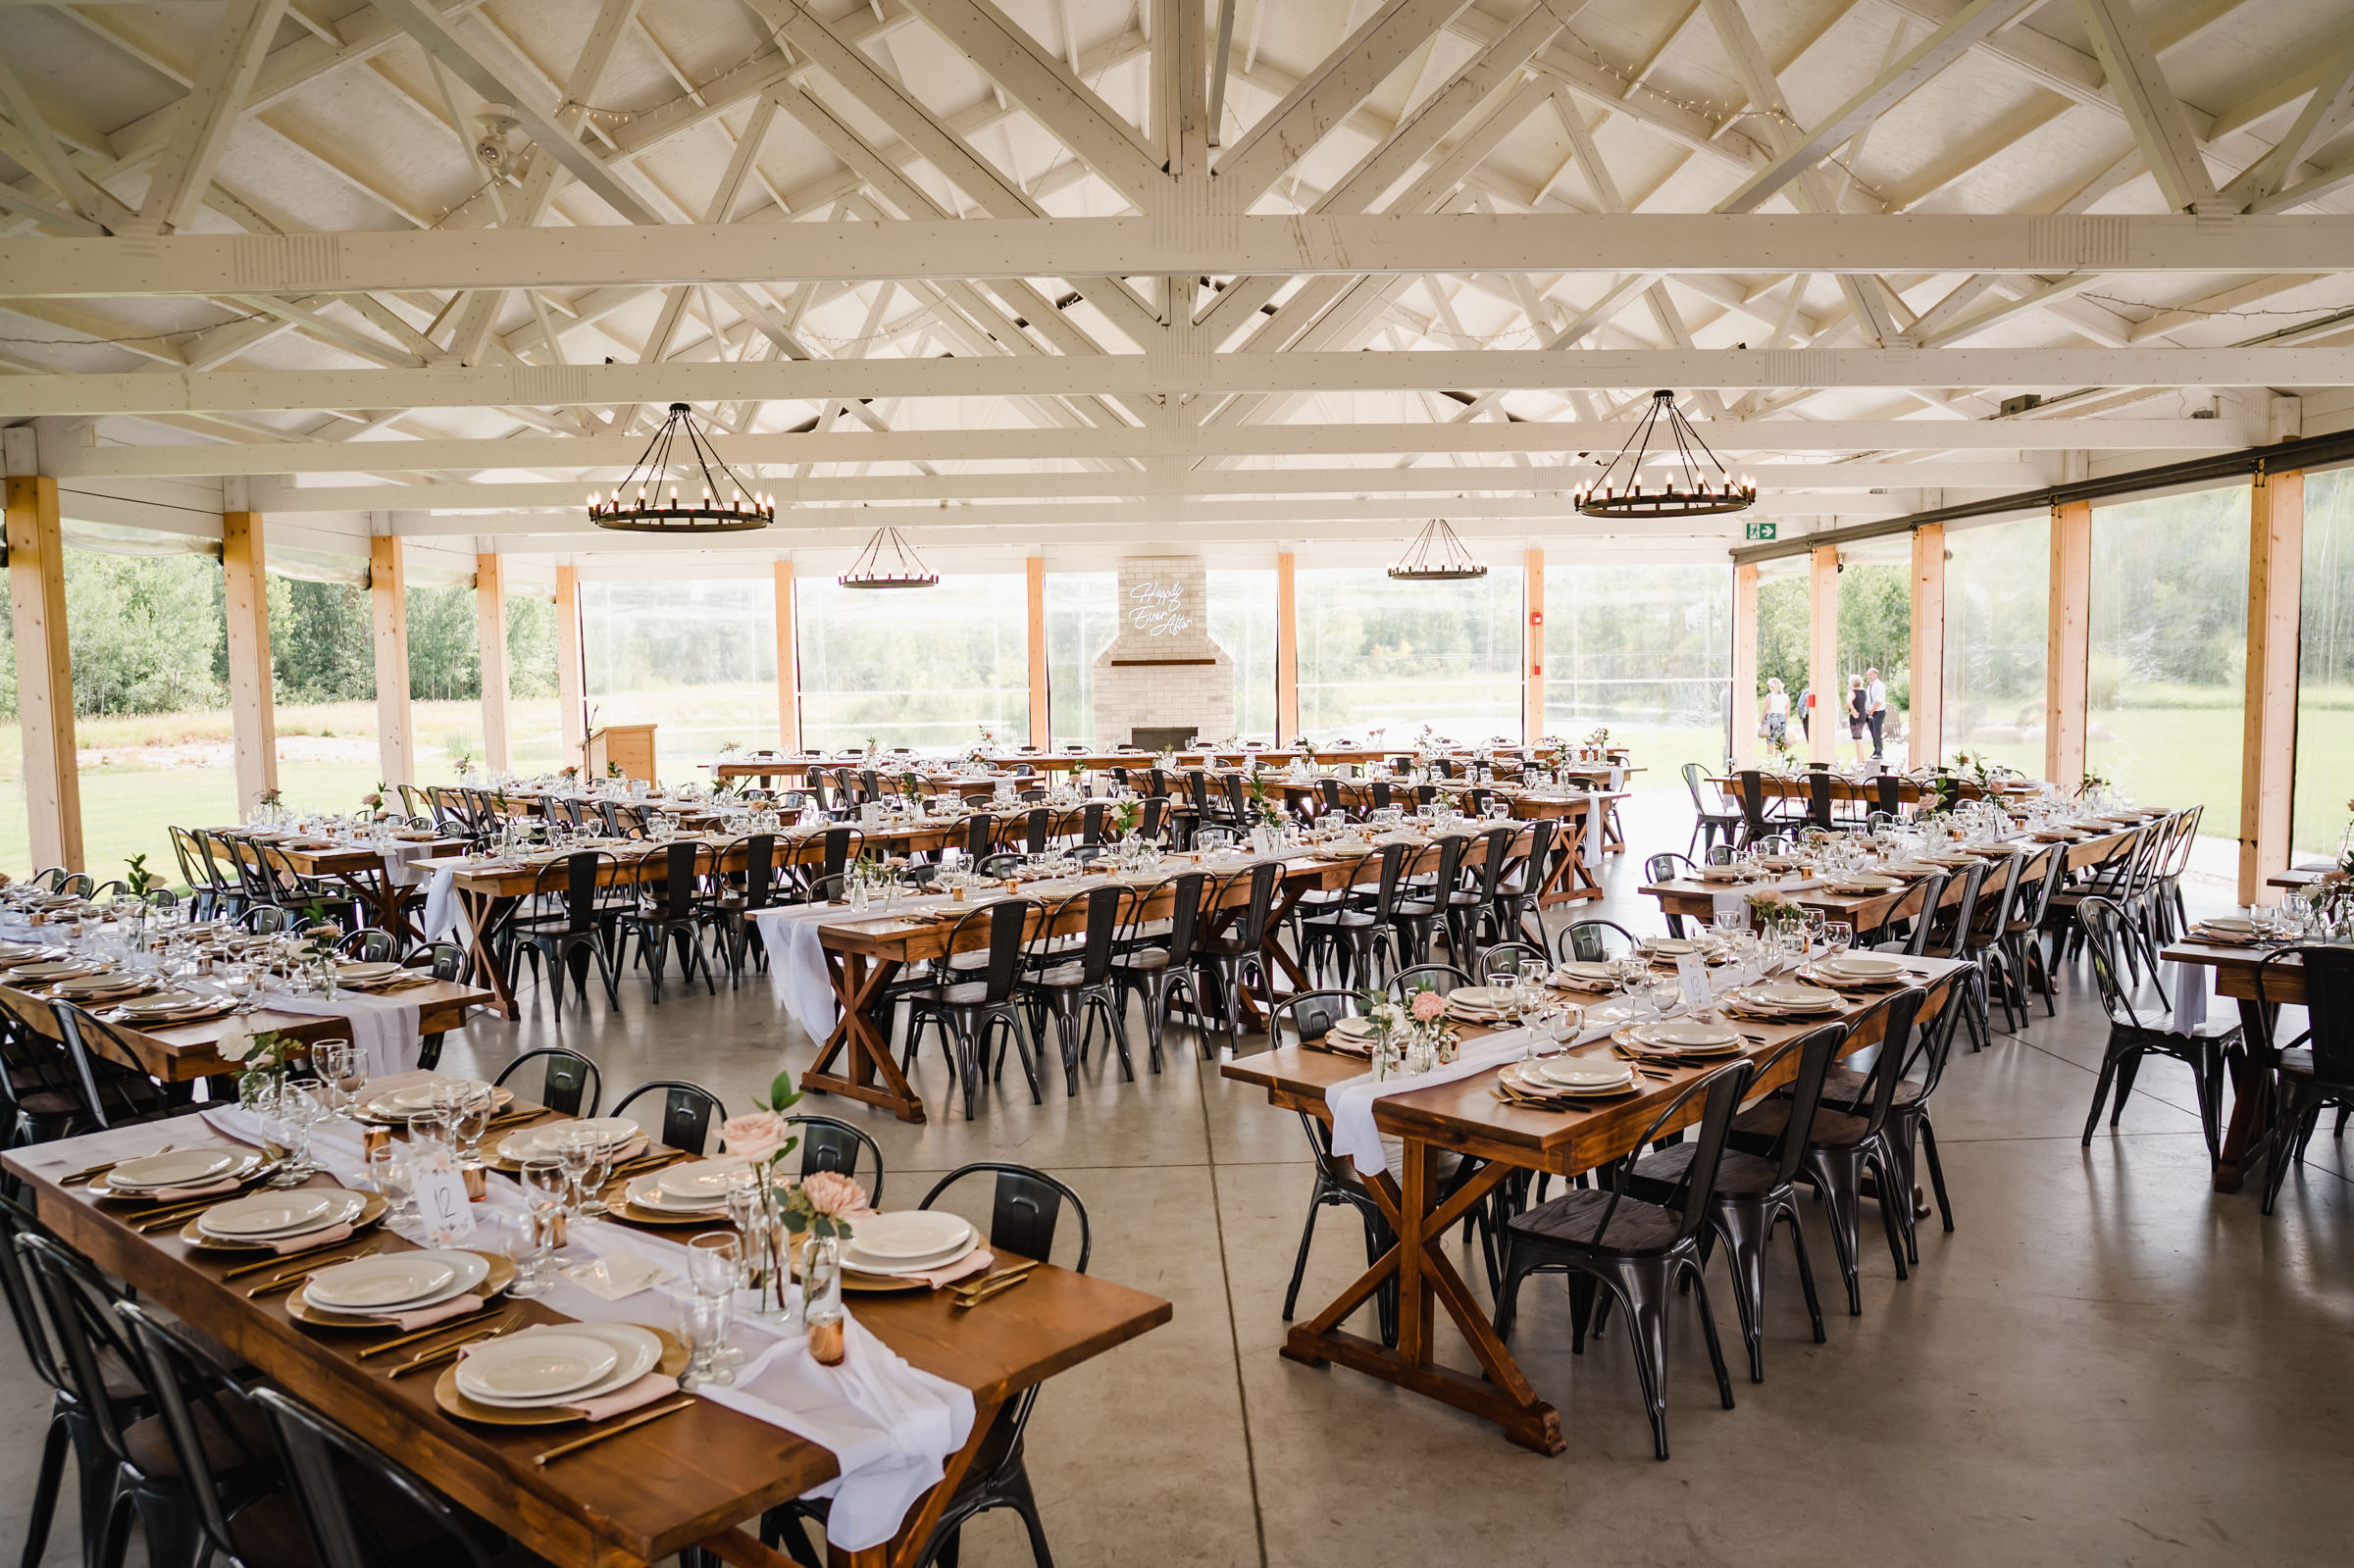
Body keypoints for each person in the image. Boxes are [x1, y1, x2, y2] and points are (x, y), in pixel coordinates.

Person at [1865, 666, 1888, 762]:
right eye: (1868, 675)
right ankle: (1875, 750)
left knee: (1877, 731)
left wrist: (1872, 711)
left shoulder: (1880, 685)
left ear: (1875, 674)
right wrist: (1867, 710)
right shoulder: (1869, 686)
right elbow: (1868, 699)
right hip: (1870, 712)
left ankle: (1879, 752)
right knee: (1872, 731)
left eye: (1870, 674)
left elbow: (1878, 701)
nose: (1868, 676)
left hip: (1878, 712)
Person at [1847, 674, 1868, 764]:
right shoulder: (1864, 692)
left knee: (1857, 739)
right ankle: (1862, 759)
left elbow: (1848, 702)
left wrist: (1853, 710)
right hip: (1862, 715)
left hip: (1856, 717)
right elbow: (1865, 704)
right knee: (1859, 739)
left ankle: (1860, 761)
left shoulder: (1852, 692)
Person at [1764, 677, 1789, 747]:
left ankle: (1770, 757)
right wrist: (1786, 721)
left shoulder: (1770, 696)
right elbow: (1787, 711)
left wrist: (1762, 720)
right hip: (1782, 719)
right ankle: (1779, 757)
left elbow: (1765, 710)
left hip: (1772, 717)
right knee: (1779, 741)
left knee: (1770, 742)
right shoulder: (1786, 697)